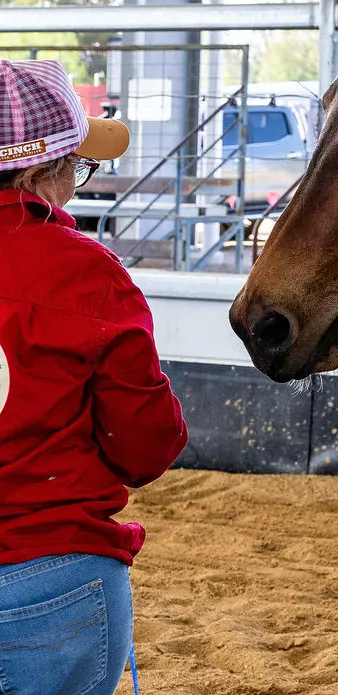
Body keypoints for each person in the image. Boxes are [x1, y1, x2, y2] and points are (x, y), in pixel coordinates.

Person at [0, 60, 188, 695]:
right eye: (75, 167)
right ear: (35, 172)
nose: (75, 185)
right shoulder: (86, 273)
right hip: (50, 569)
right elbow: (146, 447)